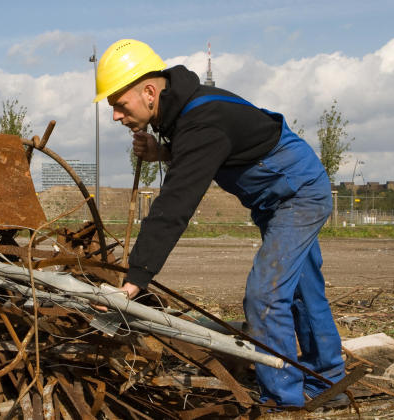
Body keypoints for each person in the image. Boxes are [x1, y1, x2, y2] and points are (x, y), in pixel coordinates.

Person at [93, 39, 345, 407]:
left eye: (118, 104)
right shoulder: (184, 113)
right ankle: (327, 381)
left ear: (149, 92)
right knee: (304, 291)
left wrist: (134, 281)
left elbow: (174, 206)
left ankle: (286, 399)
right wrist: (161, 152)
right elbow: (211, 150)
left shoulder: (201, 120)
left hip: (297, 194)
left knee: (266, 295)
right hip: (280, 198)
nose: (115, 115)